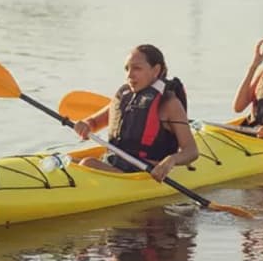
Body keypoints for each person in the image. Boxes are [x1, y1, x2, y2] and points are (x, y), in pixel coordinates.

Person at [74, 44, 199, 182]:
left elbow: (191, 151)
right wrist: (85, 125)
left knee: (87, 163)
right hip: (114, 163)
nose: (129, 75)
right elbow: (94, 122)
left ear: (156, 70)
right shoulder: (125, 96)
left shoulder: (169, 104)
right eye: (127, 69)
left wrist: (171, 161)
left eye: (137, 68)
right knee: (65, 160)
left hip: (143, 172)